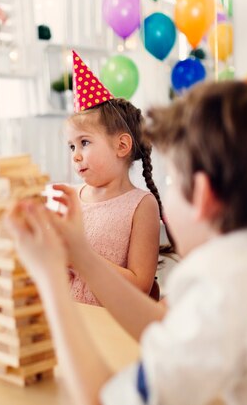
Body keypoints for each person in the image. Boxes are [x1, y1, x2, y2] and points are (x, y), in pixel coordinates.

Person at [5, 81, 247, 405]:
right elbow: (171, 327)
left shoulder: (224, 286)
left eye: (173, 179)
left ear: (204, 195)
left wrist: (50, 278)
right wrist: (80, 253)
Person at [61, 51, 173, 306]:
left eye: (84, 142)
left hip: (112, 327)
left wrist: (81, 259)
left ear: (122, 145)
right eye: (71, 147)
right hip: (71, 322)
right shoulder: (71, 197)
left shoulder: (141, 205)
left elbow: (140, 285)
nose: (76, 156)